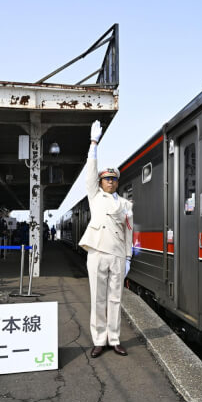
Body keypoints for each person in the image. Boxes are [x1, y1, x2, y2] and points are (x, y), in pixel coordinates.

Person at [78, 120, 133, 358]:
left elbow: (129, 232)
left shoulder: (126, 204)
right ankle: (99, 339)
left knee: (115, 299)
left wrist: (129, 257)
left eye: (113, 179)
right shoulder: (94, 196)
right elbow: (90, 173)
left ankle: (115, 338)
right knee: (98, 298)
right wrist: (93, 144)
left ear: (117, 182)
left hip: (118, 254)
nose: (110, 181)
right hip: (98, 252)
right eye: (106, 179)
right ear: (100, 182)